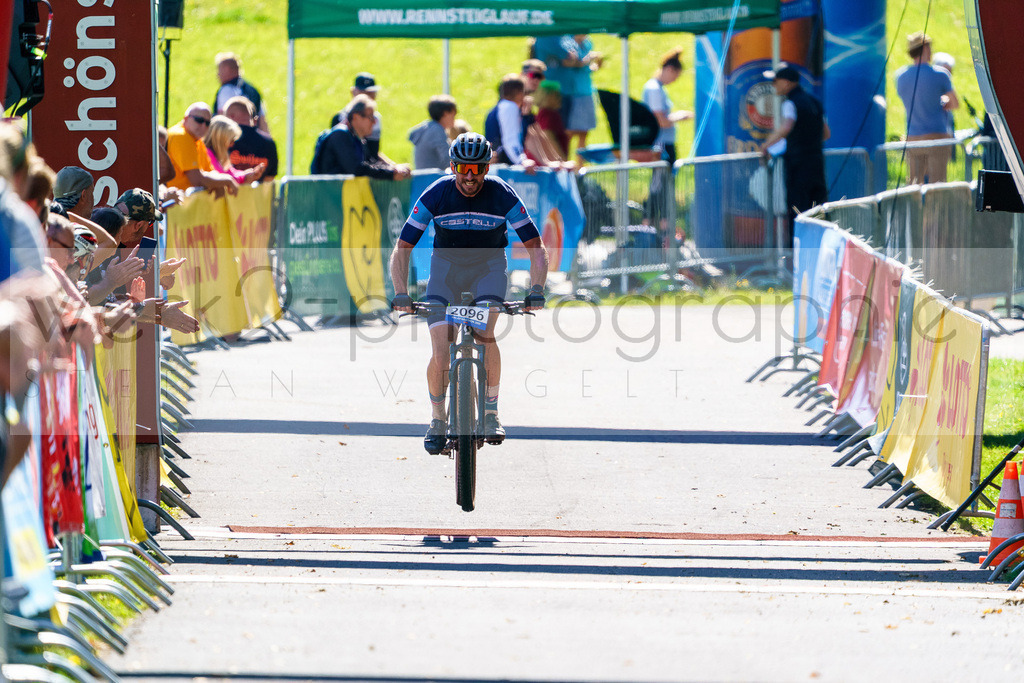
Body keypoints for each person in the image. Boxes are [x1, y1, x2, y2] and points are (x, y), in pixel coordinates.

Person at [389, 134, 549, 453]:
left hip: (487, 270)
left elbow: (536, 247)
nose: (470, 176)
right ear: (453, 166)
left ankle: (490, 412)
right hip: (446, 272)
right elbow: (402, 248)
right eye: (463, 167)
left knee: (485, 334)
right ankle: (437, 419)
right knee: (439, 348)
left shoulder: (502, 193)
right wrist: (400, 292)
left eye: (477, 168)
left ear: (487, 167)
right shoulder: (437, 193)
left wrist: (537, 289)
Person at [760, 64, 830, 248]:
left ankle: (797, 253)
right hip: (816, 164)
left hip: (798, 165)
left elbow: (787, 127)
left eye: (775, 81)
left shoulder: (790, 103)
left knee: (798, 210)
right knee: (818, 210)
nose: (774, 85)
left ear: (787, 82)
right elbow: (826, 133)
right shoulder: (815, 102)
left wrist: (766, 145)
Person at [895, 32, 959, 184]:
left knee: (914, 185)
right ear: (924, 48)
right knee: (937, 186)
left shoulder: (900, 76)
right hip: (937, 137)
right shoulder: (941, 75)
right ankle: (935, 209)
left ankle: (915, 209)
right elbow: (955, 103)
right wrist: (942, 104)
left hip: (912, 138)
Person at [313, 95, 411, 180]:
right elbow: (356, 169)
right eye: (371, 117)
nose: (374, 122)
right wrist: (391, 174)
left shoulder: (357, 138)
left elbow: (371, 163)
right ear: (356, 117)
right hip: (329, 198)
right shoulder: (340, 135)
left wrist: (394, 169)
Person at [166, 103, 239, 193]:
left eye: (208, 123)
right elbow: (197, 179)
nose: (203, 126)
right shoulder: (181, 136)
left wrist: (220, 182)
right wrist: (227, 180)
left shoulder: (197, 139)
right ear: (186, 118)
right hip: (174, 202)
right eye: (199, 120)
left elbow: (211, 172)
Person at [643, 47, 694, 168]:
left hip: (665, 143)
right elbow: (660, 121)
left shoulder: (659, 88)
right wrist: (679, 117)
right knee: (661, 184)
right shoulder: (654, 89)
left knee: (667, 182)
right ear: (670, 70)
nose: (674, 81)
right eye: (675, 77)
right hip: (661, 145)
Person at [484, 74, 537, 172]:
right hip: (503, 165)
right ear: (518, 93)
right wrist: (521, 161)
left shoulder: (498, 108)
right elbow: (510, 140)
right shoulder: (510, 107)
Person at [223, 96, 278, 182]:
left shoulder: (224, 141)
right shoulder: (269, 143)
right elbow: (269, 180)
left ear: (231, 117)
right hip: (259, 195)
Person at [214, 52, 269, 133]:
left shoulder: (226, 90)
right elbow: (263, 122)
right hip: (252, 137)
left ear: (227, 69)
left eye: (219, 69)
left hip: (232, 138)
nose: (217, 75)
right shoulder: (253, 90)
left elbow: (222, 121)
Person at [203, 115, 266, 185]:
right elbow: (222, 178)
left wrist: (249, 174)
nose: (232, 145)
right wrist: (244, 177)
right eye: (231, 140)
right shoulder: (207, 153)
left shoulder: (218, 155)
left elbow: (231, 172)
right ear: (220, 140)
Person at [409, 95, 458, 170]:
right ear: (445, 113)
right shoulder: (437, 130)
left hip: (422, 176)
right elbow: (448, 159)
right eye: (453, 114)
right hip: (433, 177)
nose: (454, 118)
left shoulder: (427, 128)